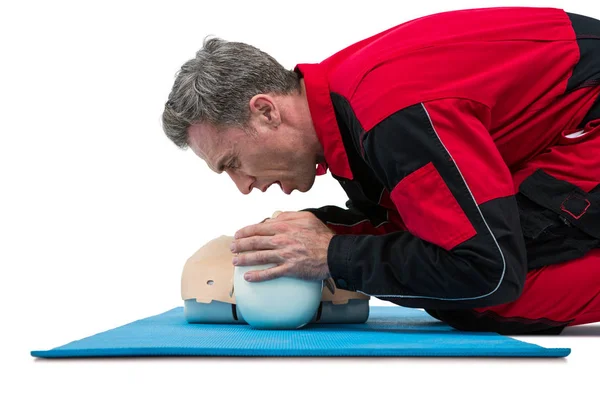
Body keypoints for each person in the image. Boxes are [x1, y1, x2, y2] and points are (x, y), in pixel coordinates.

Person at [161, 6, 600, 335]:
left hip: (590, 119)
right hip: (564, 126)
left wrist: (331, 254)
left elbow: (487, 272)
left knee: (475, 297)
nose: (243, 186)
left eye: (233, 163)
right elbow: (415, 217)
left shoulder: (390, 115)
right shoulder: (344, 101)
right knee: (436, 252)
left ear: (266, 112)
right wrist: (318, 232)